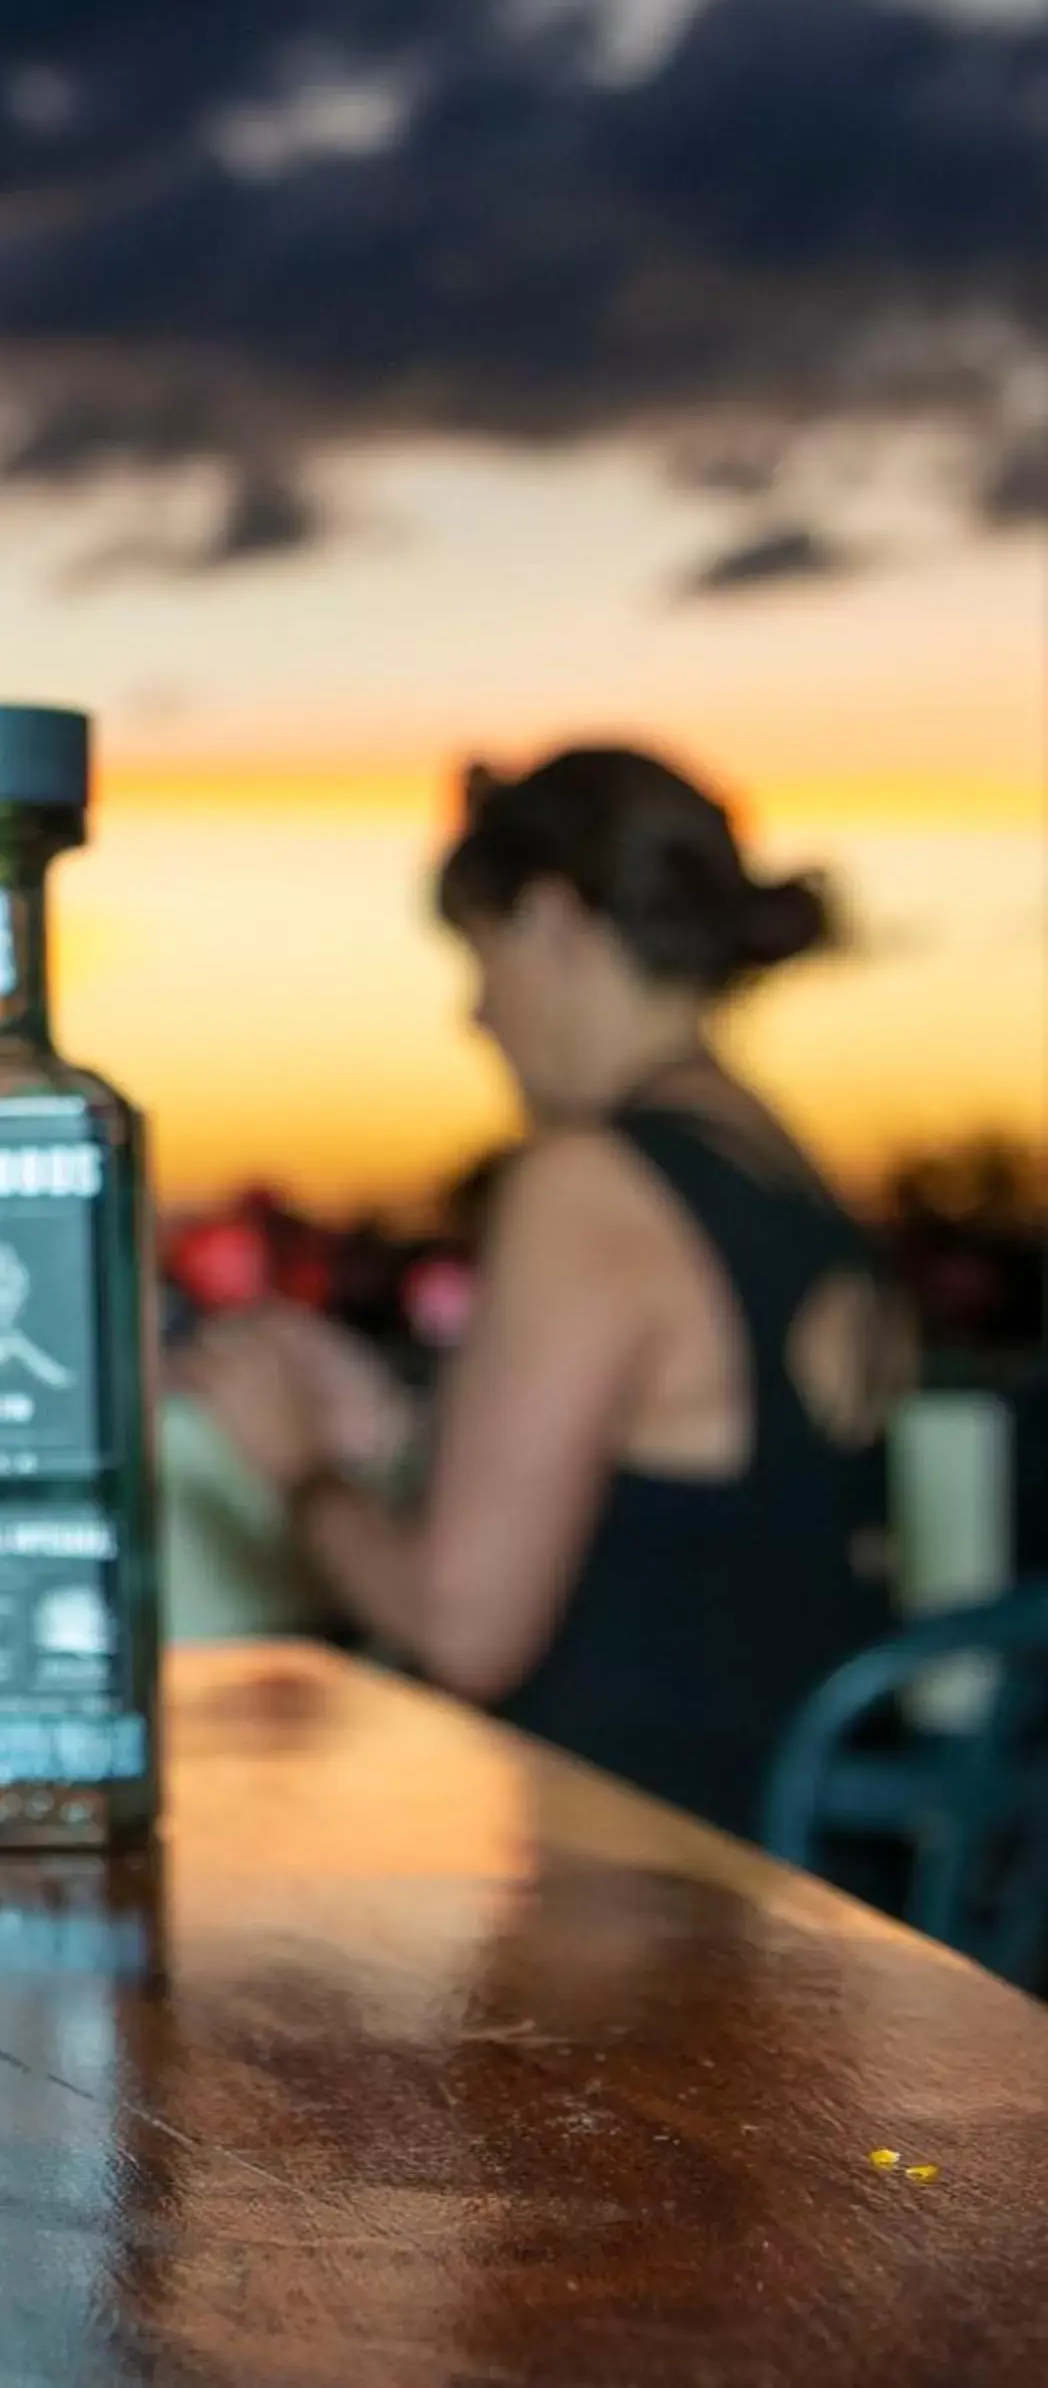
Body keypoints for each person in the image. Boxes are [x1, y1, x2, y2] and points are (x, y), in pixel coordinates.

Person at [178, 745, 910, 1839]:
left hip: (657, 1912)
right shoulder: (778, 1167)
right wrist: (395, 1433)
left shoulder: (588, 1185)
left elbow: (463, 1630)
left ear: (557, 922)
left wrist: (300, 1472)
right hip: (799, 1882)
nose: (475, 1016)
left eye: (480, 957)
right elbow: (695, 1538)